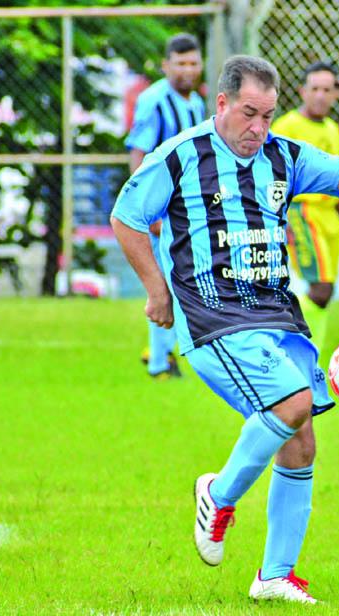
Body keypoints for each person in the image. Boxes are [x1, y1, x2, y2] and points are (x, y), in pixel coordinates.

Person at [110, 55, 339, 604]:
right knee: (290, 406)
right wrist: (155, 289)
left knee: (302, 443)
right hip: (215, 317)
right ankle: (217, 495)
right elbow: (127, 217)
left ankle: (274, 577)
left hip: (275, 316)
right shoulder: (181, 157)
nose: (258, 129)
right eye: (248, 114)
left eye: (267, 115)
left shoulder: (283, 155)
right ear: (222, 104)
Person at [125, 32, 205, 379]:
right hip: (163, 210)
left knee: (185, 282)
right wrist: (148, 211)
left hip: (188, 211)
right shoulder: (154, 100)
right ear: (166, 65)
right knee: (163, 285)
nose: (187, 70)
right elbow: (139, 155)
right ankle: (159, 363)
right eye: (180, 63)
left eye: (193, 63)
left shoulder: (199, 104)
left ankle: (162, 352)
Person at [270, 62, 339, 352]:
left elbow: (338, 181)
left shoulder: (334, 130)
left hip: (328, 216)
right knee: (320, 289)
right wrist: (277, 222)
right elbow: (270, 177)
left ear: (336, 94)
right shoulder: (286, 127)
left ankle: (312, 354)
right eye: (315, 89)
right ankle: (288, 344)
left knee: (325, 291)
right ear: (302, 92)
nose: (321, 95)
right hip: (301, 212)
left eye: (327, 89)